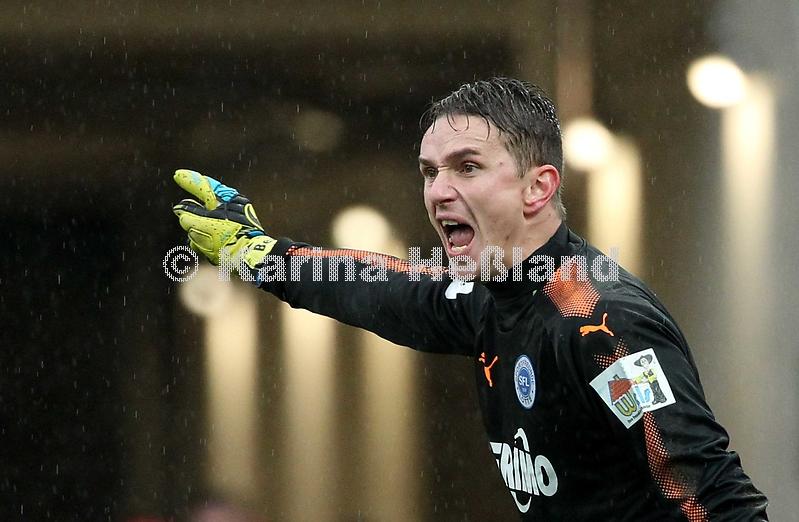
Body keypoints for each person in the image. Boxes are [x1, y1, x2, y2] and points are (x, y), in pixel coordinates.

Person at [171, 78, 768, 520]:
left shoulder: (601, 325)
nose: (439, 191)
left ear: (538, 187)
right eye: (430, 172)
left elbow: (713, 497)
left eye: (467, 167)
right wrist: (262, 255)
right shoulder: (488, 296)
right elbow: (382, 288)